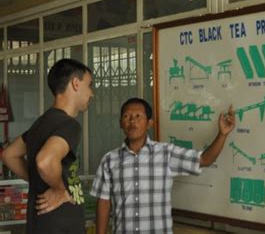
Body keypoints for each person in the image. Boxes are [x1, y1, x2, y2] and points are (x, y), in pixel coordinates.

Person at [91, 97, 235, 234]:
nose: (132, 121)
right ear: (120, 123)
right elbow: (104, 202)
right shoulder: (110, 160)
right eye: (127, 116)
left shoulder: (166, 154)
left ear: (150, 123)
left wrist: (222, 135)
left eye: (138, 116)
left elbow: (204, 160)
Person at [2, 58, 94, 234]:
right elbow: (45, 160)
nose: (92, 93)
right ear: (76, 83)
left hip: (41, 223)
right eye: (89, 85)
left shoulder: (41, 123)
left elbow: (9, 154)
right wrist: (59, 190)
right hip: (61, 224)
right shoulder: (69, 124)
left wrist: (39, 180)